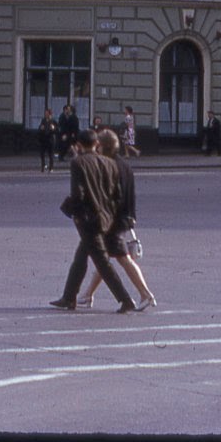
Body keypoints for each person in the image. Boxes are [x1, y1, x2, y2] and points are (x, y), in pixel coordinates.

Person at [49, 130, 139, 314]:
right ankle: (69, 296)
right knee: (81, 257)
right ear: (96, 144)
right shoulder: (109, 163)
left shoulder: (78, 163)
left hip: (88, 219)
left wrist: (72, 211)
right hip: (106, 217)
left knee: (102, 262)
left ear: (79, 145)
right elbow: (117, 195)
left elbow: (78, 194)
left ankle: (125, 299)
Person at [79, 129, 157, 310]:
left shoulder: (109, 165)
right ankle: (88, 294)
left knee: (122, 258)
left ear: (103, 147)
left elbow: (110, 195)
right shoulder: (124, 165)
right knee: (103, 257)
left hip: (113, 219)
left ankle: (146, 294)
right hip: (125, 216)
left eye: (98, 145)